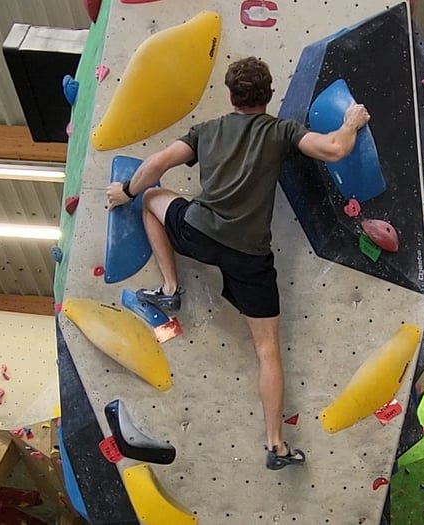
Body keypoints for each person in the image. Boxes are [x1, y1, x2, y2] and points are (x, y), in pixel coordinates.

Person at [106, 56, 370, 470]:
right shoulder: (281, 131)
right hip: (250, 257)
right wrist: (351, 122)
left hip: (199, 232)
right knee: (267, 350)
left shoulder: (207, 131)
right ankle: (276, 445)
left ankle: (171, 289)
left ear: (230, 96)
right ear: (269, 95)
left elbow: (155, 164)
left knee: (152, 198)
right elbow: (335, 148)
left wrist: (125, 191)